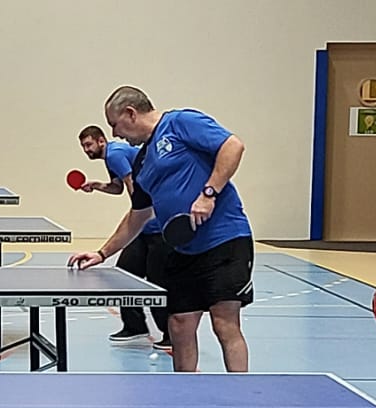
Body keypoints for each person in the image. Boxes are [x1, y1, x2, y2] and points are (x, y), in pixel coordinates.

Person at [69, 87, 252, 373]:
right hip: (182, 249)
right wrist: (102, 253)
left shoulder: (180, 122)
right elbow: (137, 216)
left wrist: (209, 193)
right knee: (179, 325)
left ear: (130, 113)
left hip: (223, 239)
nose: (115, 134)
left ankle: (241, 391)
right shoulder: (142, 161)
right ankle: (183, 390)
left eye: (114, 124)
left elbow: (233, 146)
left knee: (224, 322)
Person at [76, 122, 167, 349]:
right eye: (83, 146)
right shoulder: (110, 157)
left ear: (101, 141)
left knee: (158, 282)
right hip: (143, 227)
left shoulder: (114, 154)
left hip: (156, 226)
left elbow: (132, 186)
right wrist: (97, 185)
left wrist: (140, 215)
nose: (86, 150)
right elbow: (117, 188)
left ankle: (170, 334)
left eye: (89, 145)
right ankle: (135, 326)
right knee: (125, 272)